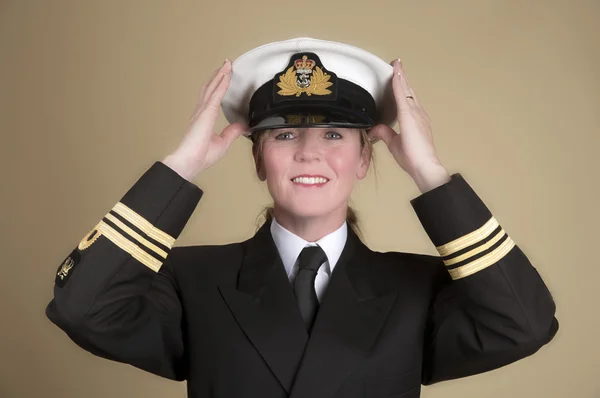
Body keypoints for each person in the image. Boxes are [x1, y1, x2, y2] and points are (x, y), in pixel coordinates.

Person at [45, 37, 559, 398]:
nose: (308, 152)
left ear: (364, 159)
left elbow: (524, 325)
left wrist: (431, 174)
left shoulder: (415, 287)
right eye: (284, 135)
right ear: (258, 158)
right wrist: (180, 167)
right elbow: (82, 309)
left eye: (334, 134)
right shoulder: (192, 280)